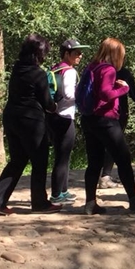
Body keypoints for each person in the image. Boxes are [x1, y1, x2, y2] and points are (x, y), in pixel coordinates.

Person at [0, 35, 61, 215]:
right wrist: (55, 106)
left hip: (11, 118)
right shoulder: (38, 74)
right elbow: (46, 102)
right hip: (31, 121)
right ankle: (40, 203)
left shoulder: (17, 68)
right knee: (39, 161)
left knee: (17, 161)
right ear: (40, 53)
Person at [80, 38, 135, 214]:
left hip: (89, 119)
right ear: (115, 54)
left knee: (94, 162)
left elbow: (98, 90)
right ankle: (134, 198)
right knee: (123, 158)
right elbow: (106, 95)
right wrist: (124, 89)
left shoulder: (91, 66)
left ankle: (90, 203)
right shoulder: (108, 69)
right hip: (106, 120)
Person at [47, 39, 89, 204]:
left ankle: (63, 191)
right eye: (76, 53)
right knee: (62, 157)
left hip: (53, 116)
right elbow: (69, 95)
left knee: (61, 155)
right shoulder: (70, 71)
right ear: (66, 54)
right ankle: (57, 194)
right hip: (65, 117)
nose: (80, 55)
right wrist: (84, 94)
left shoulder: (55, 68)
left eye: (80, 52)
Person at [100, 64, 135, 189]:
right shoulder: (123, 72)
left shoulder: (98, 69)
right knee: (116, 146)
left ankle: (103, 176)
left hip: (97, 113)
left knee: (100, 145)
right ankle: (105, 177)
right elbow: (133, 93)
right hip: (119, 113)